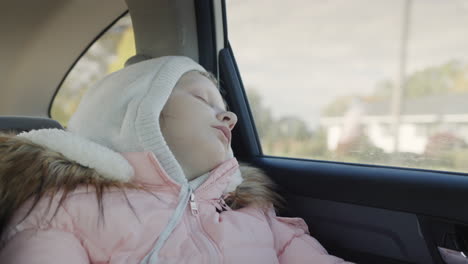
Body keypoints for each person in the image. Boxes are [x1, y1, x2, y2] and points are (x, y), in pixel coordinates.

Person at [0, 56, 352, 263]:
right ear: (134, 112)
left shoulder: (252, 212)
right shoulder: (66, 208)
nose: (230, 118)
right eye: (204, 100)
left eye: (227, 111)